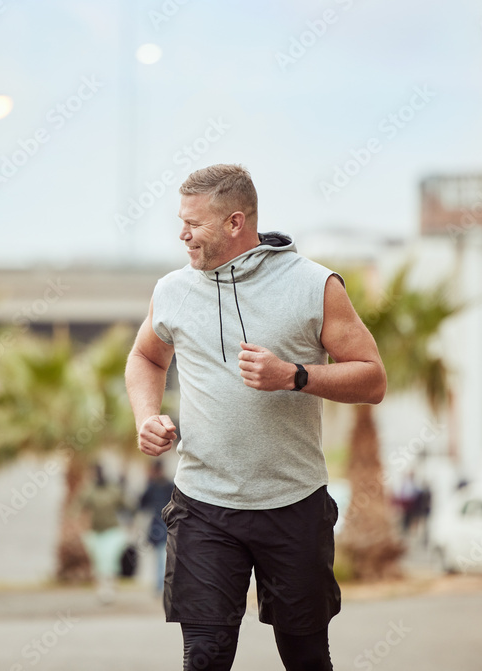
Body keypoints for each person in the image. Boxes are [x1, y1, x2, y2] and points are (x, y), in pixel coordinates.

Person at [125, 165, 386, 671]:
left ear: (235, 223)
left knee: (305, 655)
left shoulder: (314, 284)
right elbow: (146, 357)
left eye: (193, 224)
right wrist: (146, 416)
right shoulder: (174, 290)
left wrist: (296, 376)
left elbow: (372, 379)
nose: (182, 234)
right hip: (202, 504)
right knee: (204, 655)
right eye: (180, 221)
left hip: (292, 502)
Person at [78, 463, 127, 603]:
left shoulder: (113, 489)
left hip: (112, 531)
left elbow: (126, 505)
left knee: (110, 559)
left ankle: (110, 589)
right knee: (98, 562)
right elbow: (78, 507)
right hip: (95, 532)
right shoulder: (89, 490)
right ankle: (101, 589)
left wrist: (123, 487)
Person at [139, 460, 175, 595]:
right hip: (161, 524)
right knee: (161, 556)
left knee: (161, 556)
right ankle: (161, 585)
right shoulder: (164, 485)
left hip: (162, 524)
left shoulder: (157, 485)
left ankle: (161, 585)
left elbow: (141, 503)